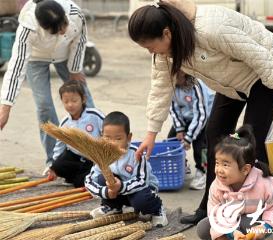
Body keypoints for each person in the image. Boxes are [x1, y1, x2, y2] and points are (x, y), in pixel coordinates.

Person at [128, 0, 273, 224]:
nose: (150, 52)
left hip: (263, 69)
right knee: (214, 134)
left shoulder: (210, 29)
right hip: (230, 80)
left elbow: (258, 56)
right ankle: (210, 206)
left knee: (250, 140)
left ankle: (260, 209)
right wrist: (151, 133)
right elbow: (160, 89)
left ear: (166, 33)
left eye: (149, 46)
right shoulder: (163, 54)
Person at [0, 0, 94, 170]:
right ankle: (55, 161)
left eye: (64, 25)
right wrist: (5, 108)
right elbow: (15, 68)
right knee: (44, 106)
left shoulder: (75, 13)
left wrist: (74, 68)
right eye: (57, 30)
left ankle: (95, 152)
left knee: (83, 97)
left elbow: (80, 40)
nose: (64, 30)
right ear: (42, 28)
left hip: (66, 54)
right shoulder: (27, 28)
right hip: (36, 58)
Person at [196, 125, 273, 240]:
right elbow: (214, 213)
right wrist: (232, 232)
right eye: (217, 163)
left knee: (248, 224)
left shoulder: (264, 183)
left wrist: (266, 226)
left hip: (253, 220)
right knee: (203, 227)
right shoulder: (217, 186)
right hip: (228, 220)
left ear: (245, 169)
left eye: (225, 164)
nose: (219, 169)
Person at [85, 111, 168, 227]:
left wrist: (121, 186)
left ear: (129, 137)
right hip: (118, 193)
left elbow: (142, 181)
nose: (112, 143)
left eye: (118, 138)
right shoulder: (102, 155)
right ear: (101, 136)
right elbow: (89, 180)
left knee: (141, 201)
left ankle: (156, 209)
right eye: (107, 138)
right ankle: (113, 206)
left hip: (141, 191)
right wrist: (106, 192)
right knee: (101, 178)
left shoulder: (136, 154)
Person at [44, 80, 104, 187]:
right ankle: (77, 176)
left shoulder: (94, 115)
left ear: (83, 99)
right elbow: (59, 145)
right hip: (73, 156)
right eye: (66, 102)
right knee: (57, 166)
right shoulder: (65, 123)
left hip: (93, 159)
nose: (70, 105)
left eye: (74, 101)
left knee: (79, 183)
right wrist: (53, 168)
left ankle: (83, 177)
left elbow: (107, 131)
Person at [168, 70, 215, 190]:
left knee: (200, 145)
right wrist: (179, 129)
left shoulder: (196, 86)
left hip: (203, 118)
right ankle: (182, 165)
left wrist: (188, 138)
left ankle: (202, 171)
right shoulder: (172, 86)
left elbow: (201, 115)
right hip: (186, 117)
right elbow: (173, 109)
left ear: (183, 73)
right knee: (171, 140)